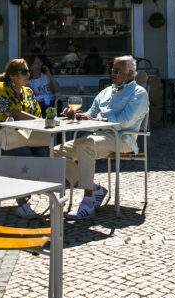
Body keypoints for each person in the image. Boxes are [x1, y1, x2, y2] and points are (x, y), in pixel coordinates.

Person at [54, 55, 149, 220]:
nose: (113, 73)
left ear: (130, 74)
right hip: (99, 136)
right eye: (112, 70)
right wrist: (76, 115)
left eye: (118, 71)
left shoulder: (138, 92)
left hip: (123, 138)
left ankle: (88, 201)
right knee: (57, 151)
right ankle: (95, 189)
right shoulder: (106, 92)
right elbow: (91, 114)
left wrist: (94, 120)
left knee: (87, 144)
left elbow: (125, 121)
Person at [0, 58, 51, 219]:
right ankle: (21, 202)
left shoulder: (28, 92)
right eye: (24, 72)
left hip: (26, 136)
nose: (28, 74)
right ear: (12, 75)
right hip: (2, 136)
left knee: (46, 152)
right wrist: (41, 121)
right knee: (24, 156)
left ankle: (31, 189)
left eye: (28, 71)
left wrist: (44, 122)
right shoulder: (0, 88)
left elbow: (36, 115)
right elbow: (12, 112)